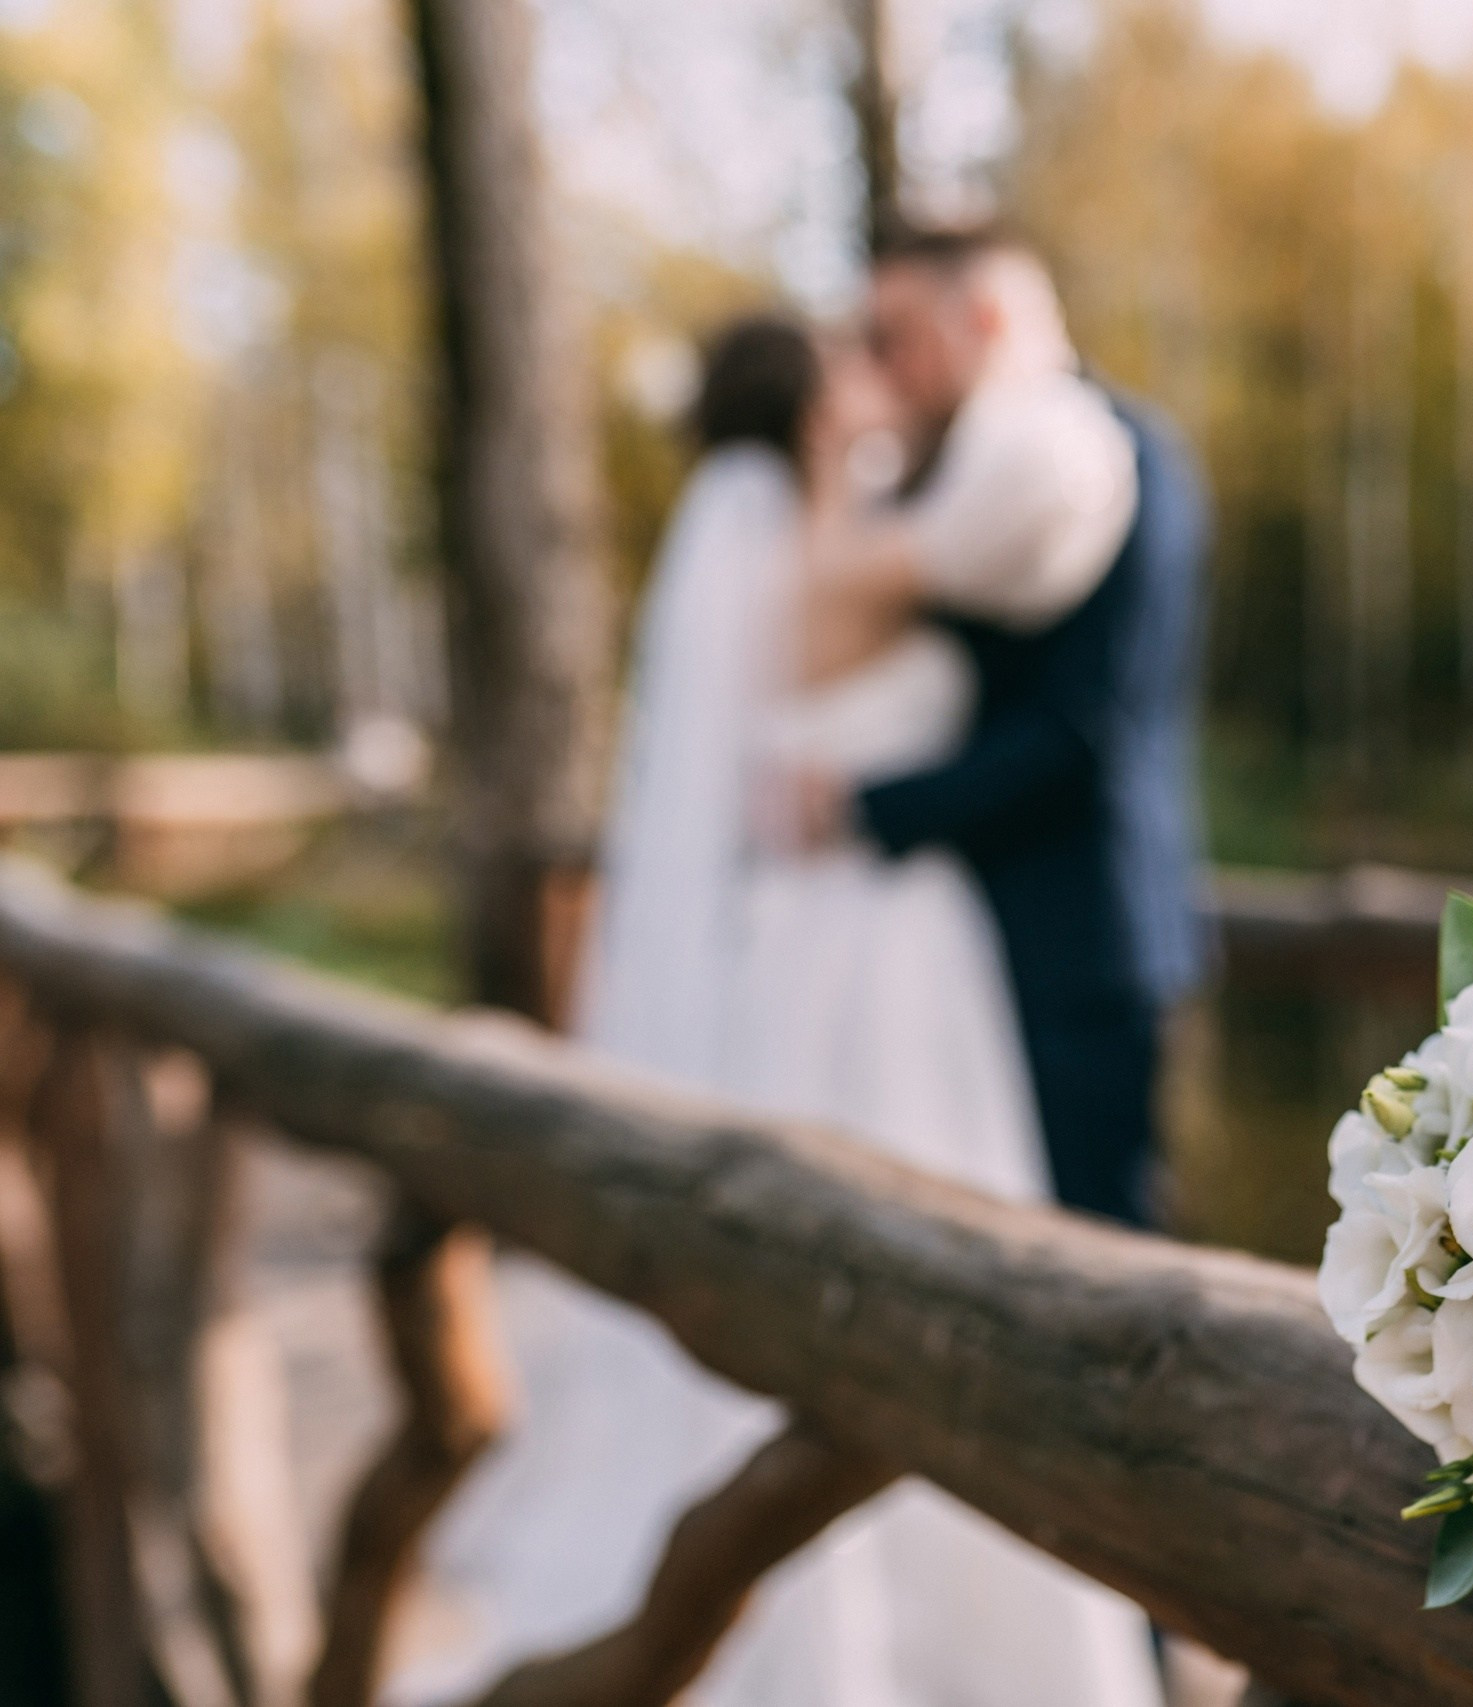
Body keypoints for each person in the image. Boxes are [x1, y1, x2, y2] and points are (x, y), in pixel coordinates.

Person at [390, 313, 1164, 1707]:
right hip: (891, 955)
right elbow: (1018, 549)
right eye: (856, 361)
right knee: (922, 1243)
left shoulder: (773, 560)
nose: (882, 372)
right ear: (818, 416)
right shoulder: (858, 559)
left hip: (818, 945)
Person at [802, 226, 1213, 1230]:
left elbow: (1089, 733)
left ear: (980, 317)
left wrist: (862, 805)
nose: (884, 361)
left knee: (1102, 1254)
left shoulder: (1130, 461)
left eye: (895, 331)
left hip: (1080, 939)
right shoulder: (938, 473)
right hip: (953, 936)